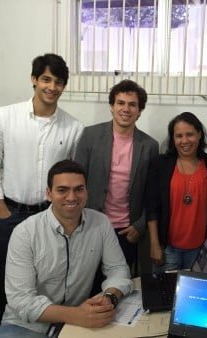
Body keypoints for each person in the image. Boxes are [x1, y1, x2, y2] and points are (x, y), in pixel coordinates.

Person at [0, 160, 133, 338]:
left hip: (77, 323)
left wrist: (110, 297)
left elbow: (118, 269)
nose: (72, 197)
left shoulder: (101, 223)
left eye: (79, 189)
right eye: (62, 190)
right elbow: (21, 301)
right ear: (49, 194)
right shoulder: (25, 232)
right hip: (26, 325)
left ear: (86, 192)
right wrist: (77, 315)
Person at [0, 53, 84, 238]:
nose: (52, 87)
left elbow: (74, 176)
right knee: (12, 266)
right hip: (12, 213)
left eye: (58, 82)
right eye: (46, 79)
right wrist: (1, 209)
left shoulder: (74, 127)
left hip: (53, 214)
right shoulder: (4, 117)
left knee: (50, 266)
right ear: (34, 79)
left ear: (64, 87)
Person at [74, 80, 158, 272]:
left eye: (132, 104)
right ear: (111, 106)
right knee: (87, 284)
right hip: (90, 226)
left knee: (119, 285)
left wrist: (140, 225)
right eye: (120, 103)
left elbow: (152, 194)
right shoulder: (90, 135)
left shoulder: (150, 146)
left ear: (140, 110)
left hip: (126, 231)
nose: (125, 109)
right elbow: (76, 181)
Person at [146, 112, 207, 271]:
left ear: (200, 134)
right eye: (179, 136)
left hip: (202, 251)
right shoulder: (160, 164)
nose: (184, 140)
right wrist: (154, 244)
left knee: (195, 295)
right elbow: (152, 207)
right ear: (173, 139)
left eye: (190, 134)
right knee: (164, 294)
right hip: (167, 249)